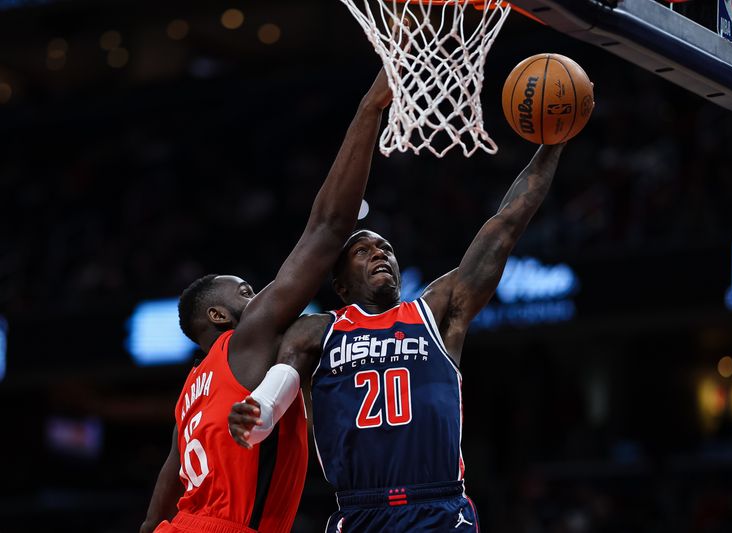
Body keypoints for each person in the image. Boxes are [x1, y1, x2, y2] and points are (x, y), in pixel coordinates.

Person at [229, 143, 568, 532]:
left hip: (438, 506)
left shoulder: (436, 312)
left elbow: (506, 223)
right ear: (339, 285)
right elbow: (277, 389)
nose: (379, 253)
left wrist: (553, 143)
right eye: (363, 250)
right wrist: (257, 413)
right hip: (360, 511)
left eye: (385, 248)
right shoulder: (317, 330)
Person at [139, 67, 393, 533]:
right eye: (245, 292)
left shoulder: (190, 392)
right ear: (218, 315)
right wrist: (369, 109)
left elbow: (171, 473)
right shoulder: (246, 340)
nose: (260, 299)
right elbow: (325, 229)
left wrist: (151, 523)